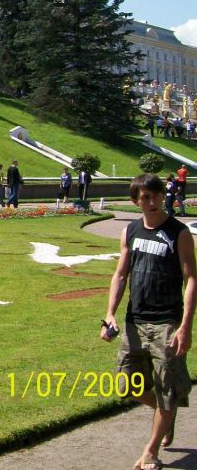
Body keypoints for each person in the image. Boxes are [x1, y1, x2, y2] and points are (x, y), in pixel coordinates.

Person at [102, 173, 195, 470]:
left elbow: (191, 278)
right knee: (129, 385)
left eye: (156, 195)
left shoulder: (178, 232)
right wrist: (110, 313)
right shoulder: (130, 231)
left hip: (167, 322)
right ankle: (165, 414)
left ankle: (151, 451)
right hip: (134, 320)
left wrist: (185, 326)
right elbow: (120, 274)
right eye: (145, 197)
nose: (152, 201)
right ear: (135, 201)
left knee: (167, 389)